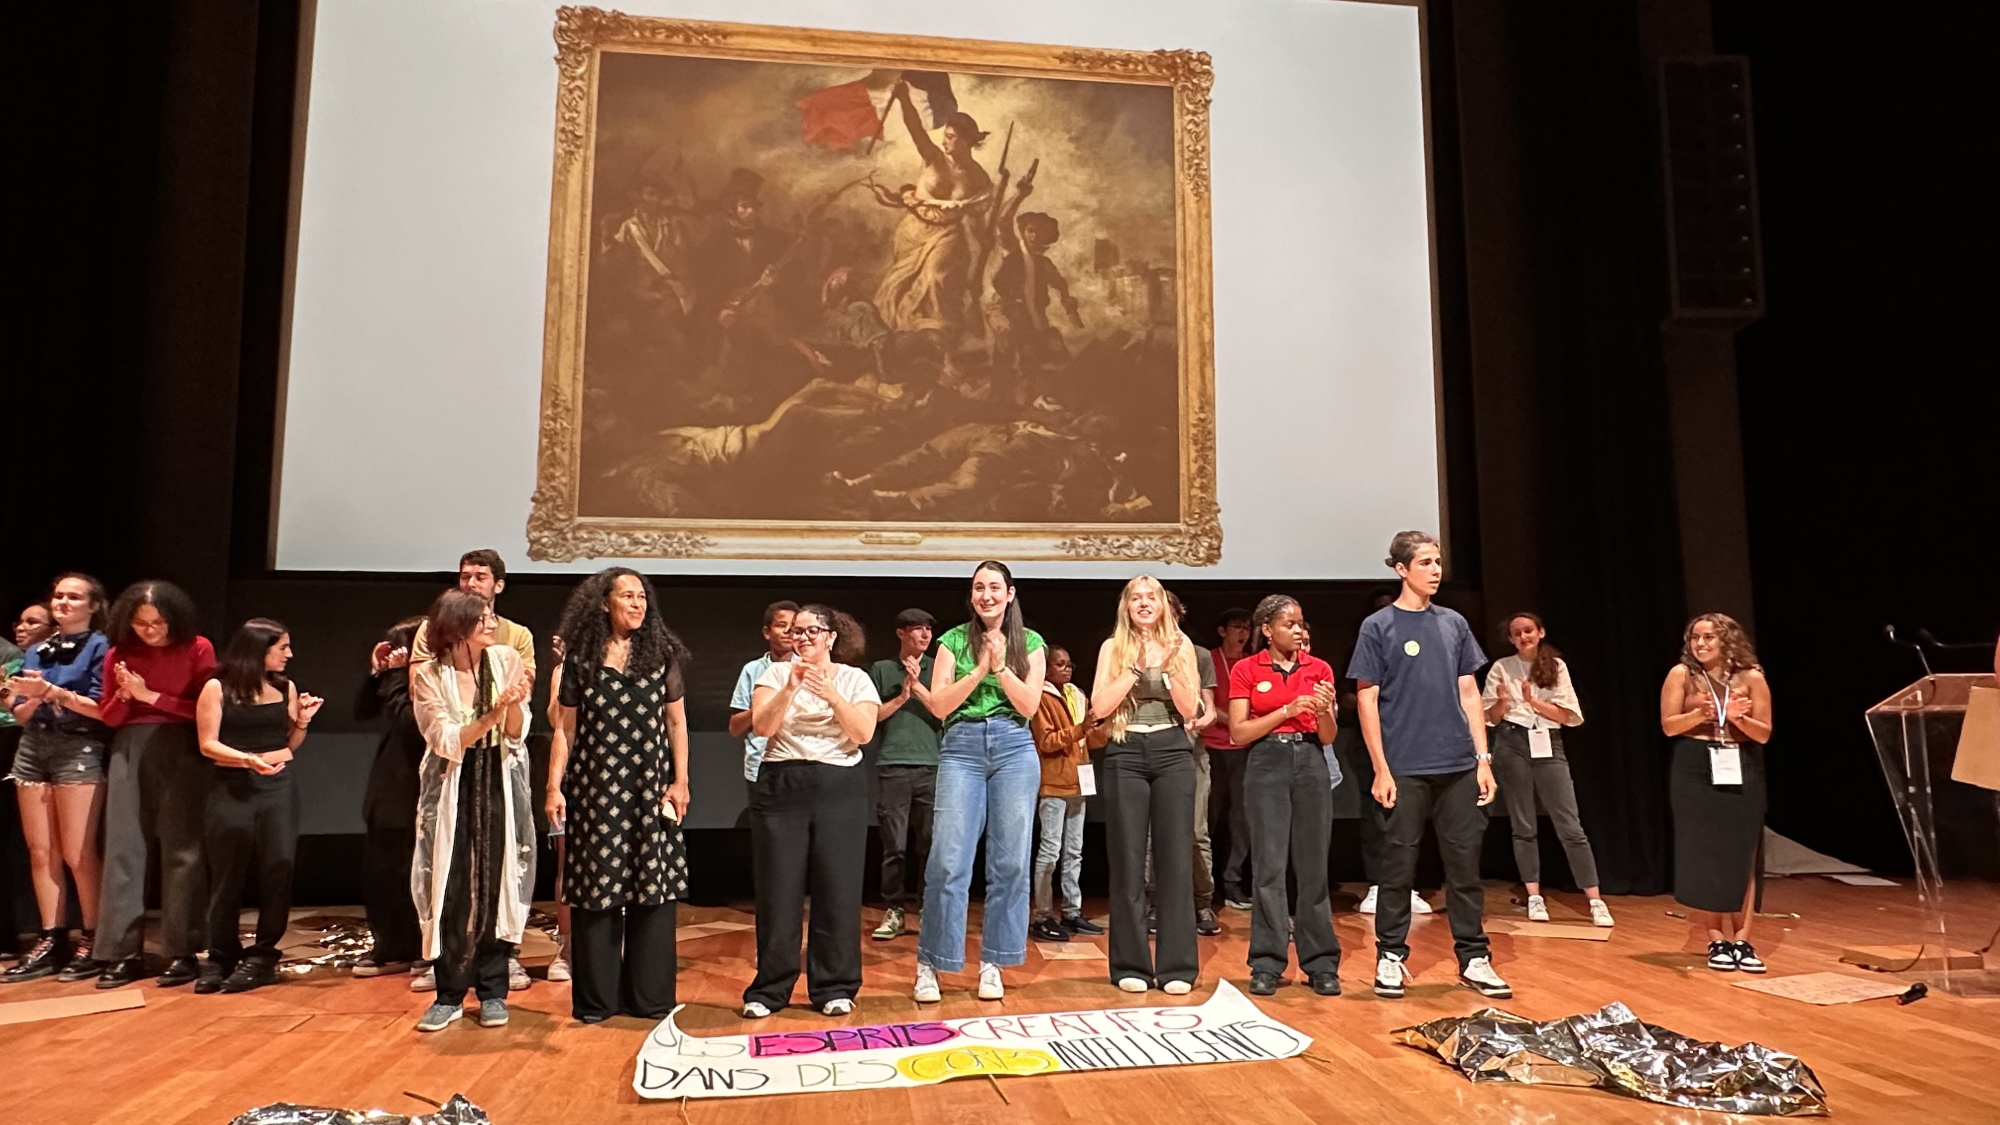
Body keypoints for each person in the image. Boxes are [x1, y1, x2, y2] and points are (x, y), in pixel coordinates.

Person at [1350, 531, 1509, 1000]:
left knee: (1464, 866)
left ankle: (1474, 957)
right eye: (1425, 562)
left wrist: (1483, 759)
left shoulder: (1454, 624)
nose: (1436, 570)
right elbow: (1367, 697)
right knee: (1398, 864)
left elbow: (1468, 693)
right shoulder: (1377, 627)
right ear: (1401, 569)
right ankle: (1392, 956)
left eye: (1438, 561)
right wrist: (1381, 766)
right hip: (1405, 765)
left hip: (1458, 763)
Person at [547, 570, 692, 1022]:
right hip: (594, 790)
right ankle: (597, 1001)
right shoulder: (582, 658)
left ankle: (649, 999)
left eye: (642, 596)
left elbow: (676, 724)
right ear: (604, 604)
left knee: (652, 892)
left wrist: (681, 781)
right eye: (627, 596)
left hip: (650, 790)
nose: (637, 603)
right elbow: (565, 729)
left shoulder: (661, 655)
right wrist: (554, 785)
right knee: (596, 892)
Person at [915, 561, 1047, 1003]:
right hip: (962, 746)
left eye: (994, 587)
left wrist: (1001, 668)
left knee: (1009, 863)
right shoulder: (953, 640)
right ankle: (931, 962)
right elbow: (937, 705)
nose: (986, 595)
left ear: (1010, 593)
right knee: (948, 861)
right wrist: (978, 670)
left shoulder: (1030, 642)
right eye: (978, 588)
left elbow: (1029, 706)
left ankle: (993, 961)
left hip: (1014, 747)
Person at [410, 549, 539, 994]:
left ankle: (493, 986)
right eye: (481, 618)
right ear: (459, 626)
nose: (490, 623)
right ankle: (448, 989)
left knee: (496, 880)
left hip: (497, 774)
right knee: (452, 882)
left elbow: (518, 733)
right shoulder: (431, 674)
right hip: (455, 778)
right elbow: (445, 739)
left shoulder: (505, 659)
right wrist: (494, 711)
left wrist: (513, 705)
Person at [741, 605, 879, 1017]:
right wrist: (791, 687)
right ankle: (769, 989)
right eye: (797, 632)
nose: (802, 638)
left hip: (840, 787)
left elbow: (863, 733)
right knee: (778, 891)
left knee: (837, 889)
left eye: (812, 631)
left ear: (831, 637)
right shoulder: (775, 674)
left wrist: (830, 693)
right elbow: (762, 728)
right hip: (782, 785)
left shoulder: (856, 679)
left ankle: (835, 986)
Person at [94, 581, 217, 989]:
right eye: (141, 624)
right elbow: (109, 717)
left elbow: (202, 710)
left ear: (174, 619)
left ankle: (182, 950)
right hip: (129, 747)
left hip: (181, 746)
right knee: (124, 848)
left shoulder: (198, 647)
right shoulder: (119, 653)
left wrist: (151, 696)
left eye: (158, 623)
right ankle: (121, 951)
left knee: (183, 849)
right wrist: (128, 697)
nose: (150, 631)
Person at [194, 619, 323, 993]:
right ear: (258, 649)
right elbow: (208, 744)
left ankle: (263, 955)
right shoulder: (218, 688)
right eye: (281, 647)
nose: (289, 654)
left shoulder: (285, 687)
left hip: (277, 786)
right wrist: (249, 760)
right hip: (231, 786)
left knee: (277, 868)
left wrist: (302, 722)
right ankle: (220, 955)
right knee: (226, 872)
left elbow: (290, 743)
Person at [1093, 577, 1203, 994]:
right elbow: (1100, 708)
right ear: (1126, 606)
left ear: (1163, 605)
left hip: (1172, 750)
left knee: (1175, 860)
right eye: (1135, 597)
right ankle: (1130, 965)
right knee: (1127, 862)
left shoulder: (1182, 645)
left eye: (1150, 597)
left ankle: (1177, 967)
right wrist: (1136, 667)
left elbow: (1191, 710)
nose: (1143, 603)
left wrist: (1172, 665)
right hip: (1126, 751)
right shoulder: (1112, 647)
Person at [1227, 595, 1341, 997]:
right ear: (1267, 630)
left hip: (1310, 760)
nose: (1298, 629)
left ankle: (1321, 963)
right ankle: (1267, 962)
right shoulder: (1246, 669)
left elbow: (1327, 736)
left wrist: (1324, 710)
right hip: (1266, 762)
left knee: (1312, 868)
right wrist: (1286, 710)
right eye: (1289, 623)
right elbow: (1238, 732)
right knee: (1269, 868)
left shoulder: (1319, 668)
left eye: (1300, 623)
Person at [3, 574, 112, 984]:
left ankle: (94, 936)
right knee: (40, 851)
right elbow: (20, 709)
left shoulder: (101, 647)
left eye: (74, 596)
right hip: (34, 745)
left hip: (78, 747)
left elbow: (104, 709)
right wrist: (25, 699)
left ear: (94, 605)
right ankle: (51, 938)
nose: (63, 602)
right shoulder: (40, 648)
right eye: (58, 596)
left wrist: (53, 692)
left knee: (78, 853)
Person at [1483, 613, 1613, 928]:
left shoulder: (1556, 667)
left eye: (1528, 631)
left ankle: (1595, 899)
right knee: (1523, 824)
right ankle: (1534, 896)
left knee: (1570, 825)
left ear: (1540, 632)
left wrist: (1532, 702)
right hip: (1512, 743)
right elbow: (1491, 717)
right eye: (1516, 633)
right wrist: (1502, 702)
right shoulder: (1502, 667)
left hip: (1548, 742)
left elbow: (1569, 715)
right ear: (1511, 639)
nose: (1523, 637)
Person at [1660, 613, 1774, 973]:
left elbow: (1764, 733)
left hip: (1742, 763)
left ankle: (1742, 940)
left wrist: (1737, 717)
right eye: (1695, 637)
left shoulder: (1752, 678)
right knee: (1703, 853)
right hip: (1695, 764)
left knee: (1742, 854)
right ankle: (1716, 939)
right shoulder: (1682, 674)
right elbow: (1668, 725)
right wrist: (1702, 714)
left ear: (1727, 640)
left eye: (1709, 637)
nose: (1701, 644)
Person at [874, 79, 993, 337]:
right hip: (912, 232)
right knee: (899, 287)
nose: (944, 142)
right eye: (945, 136)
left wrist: (984, 242)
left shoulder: (978, 178)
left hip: (946, 234)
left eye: (950, 138)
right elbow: (915, 128)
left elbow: (976, 219)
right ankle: (908, 336)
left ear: (966, 141)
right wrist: (904, 99)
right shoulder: (933, 158)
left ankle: (940, 340)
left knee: (936, 277)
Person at [1342, 588, 1431, 918]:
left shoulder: (1421, 643)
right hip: (1370, 743)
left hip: (1409, 741)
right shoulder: (1365, 643)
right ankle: (1378, 884)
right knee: (1375, 814)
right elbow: (1350, 694)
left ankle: (1407, 885)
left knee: (1408, 817)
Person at [352, 617, 427, 980]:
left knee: (413, 867)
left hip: (418, 781)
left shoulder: (432, 680)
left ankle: (420, 946)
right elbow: (363, 711)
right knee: (381, 868)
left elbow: (411, 723)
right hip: (389, 780)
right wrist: (376, 672)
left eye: (402, 649)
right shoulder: (394, 680)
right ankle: (389, 943)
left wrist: (398, 676)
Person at [869, 608, 940, 942]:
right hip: (894, 765)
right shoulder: (882, 670)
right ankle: (895, 909)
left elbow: (948, 710)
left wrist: (922, 688)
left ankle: (927, 908)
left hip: (933, 765)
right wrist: (904, 694)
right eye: (916, 629)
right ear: (901, 633)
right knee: (894, 845)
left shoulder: (939, 667)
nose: (924, 635)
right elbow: (872, 719)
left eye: (928, 630)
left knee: (930, 845)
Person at [1029, 646, 1101, 944]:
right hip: (1054, 783)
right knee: (1050, 851)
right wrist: (1080, 728)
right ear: (1045, 668)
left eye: (1069, 663)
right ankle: (1042, 915)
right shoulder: (1041, 697)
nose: (1066, 668)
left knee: (1074, 851)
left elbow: (1091, 739)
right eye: (1059, 664)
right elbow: (1046, 741)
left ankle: (1072, 911)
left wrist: (1103, 725)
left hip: (1079, 781)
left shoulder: (1077, 694)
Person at [1, 604, 57, 959]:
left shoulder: (11, 656)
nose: (22, 628)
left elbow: (13, 711)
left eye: (32, 622)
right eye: (19, 622)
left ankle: (42, 933)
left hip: (15, 746)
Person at [1203, 608, 1254, 913]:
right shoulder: (1208, 659)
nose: (1243, 633)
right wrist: (1233, 721)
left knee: (1243, 820)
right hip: (1211, 747)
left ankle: (1233, 881)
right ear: (1222, 631)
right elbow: (1201, 702)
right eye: (1237, 627)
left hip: (1244, 748)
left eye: (1247, 627)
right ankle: (1204, 886)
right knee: (1206, 820)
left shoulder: (1252, 662)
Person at [729, 601, 799, 800]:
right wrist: (764, 708)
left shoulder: (808, 668)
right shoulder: (752, 670)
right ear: (767, 632)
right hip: (760, 765)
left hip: (799, 763)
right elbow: (735, 727)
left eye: (794, 627)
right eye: (781, 625)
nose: (788, 631)